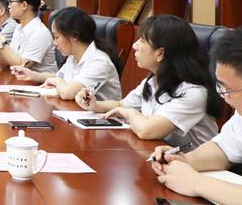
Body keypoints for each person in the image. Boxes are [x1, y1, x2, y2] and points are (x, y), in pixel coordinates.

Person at [150, 24, 242, 205]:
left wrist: (197, 183)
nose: (222, 96)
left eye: (227, 89)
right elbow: (223, 149)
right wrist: (185, 160)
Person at [77, 15, 221, 148]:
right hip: (161, 156)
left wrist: (130, 113)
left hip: (193, 164)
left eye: (142, 40)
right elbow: (121, 105)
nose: (134, 46)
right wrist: (94, 104)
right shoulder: (154, 80)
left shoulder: (193, 93)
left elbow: (147, 130)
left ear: (160, 53)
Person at [11, 6, 121, 101]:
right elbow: (59, 77)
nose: (55, 43)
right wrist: (33, 75)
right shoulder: (73, 56)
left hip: (99, 118)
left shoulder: (98, 61)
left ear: (75, 36)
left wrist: (57, 82)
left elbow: (68, 92)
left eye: (57, 37)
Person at [0, 0, 57, 73]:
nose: (9, 6)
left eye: (11, 2)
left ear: (24, 5)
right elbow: (6, 61)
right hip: (20, 77)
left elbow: (22, 65)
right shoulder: (19, 28)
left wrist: (2, 43)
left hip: (39, 81)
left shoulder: (40, 33)